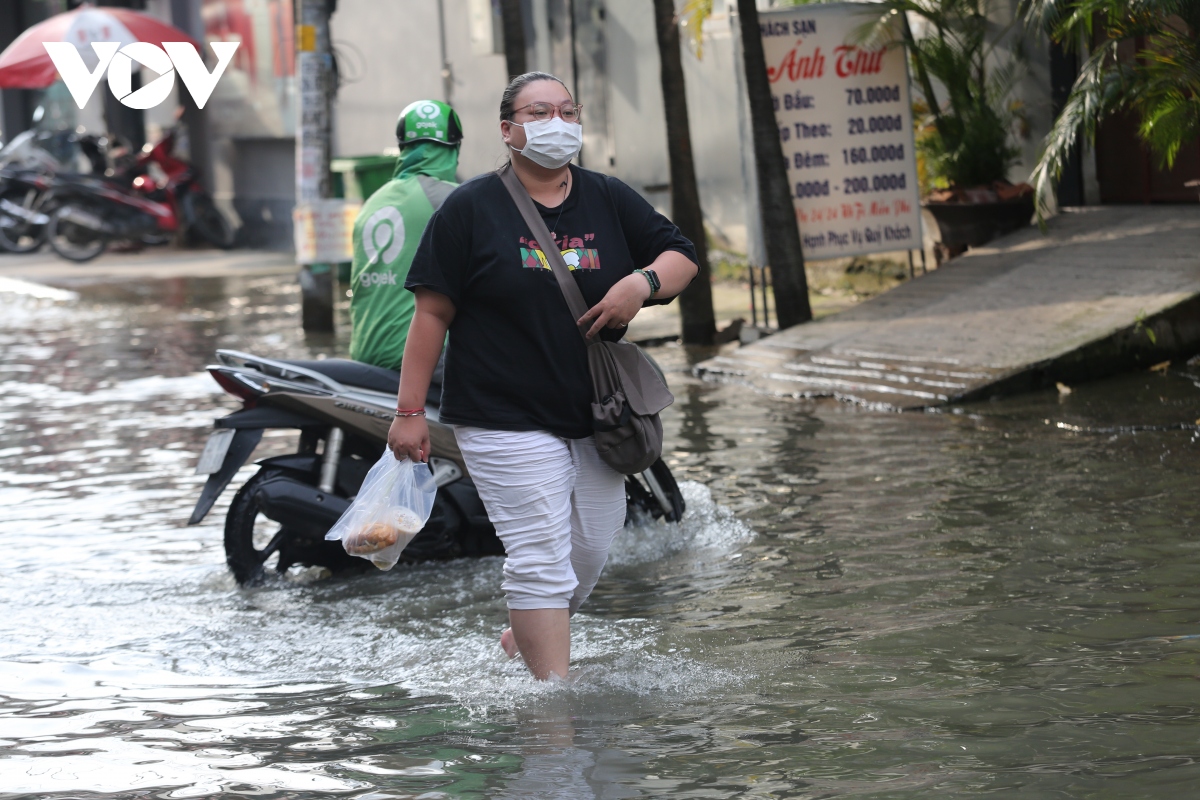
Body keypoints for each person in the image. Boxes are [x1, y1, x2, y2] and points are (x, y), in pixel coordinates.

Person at [387, 72, 699, 681]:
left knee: (593, 545)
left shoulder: (607, 197)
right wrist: (408, 411)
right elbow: (432, 313)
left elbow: (681, 254)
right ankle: (551, 708)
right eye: (538, 112)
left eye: (566, 109)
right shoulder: (470, 209)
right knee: (539, 555)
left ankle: (525, 639)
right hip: (501, 414)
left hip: (597, 412)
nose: (556, 122)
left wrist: (643, 283)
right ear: (508, 130)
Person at [349, 100, 462, 371]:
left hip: (364, 354)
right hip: (423, 359)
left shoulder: (374, 201)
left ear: (402, 148)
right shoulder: (451, 200)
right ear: (455, 148)